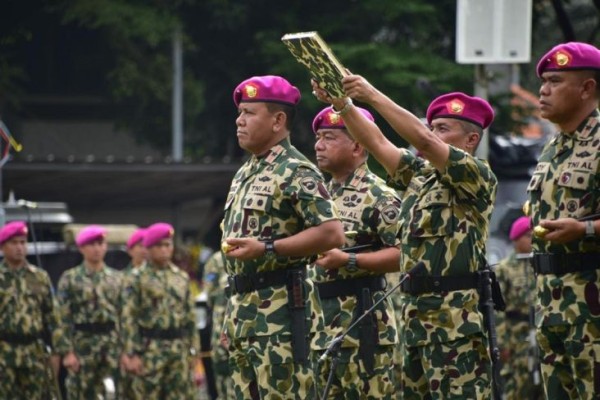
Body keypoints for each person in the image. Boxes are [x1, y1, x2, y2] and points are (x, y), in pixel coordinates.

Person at [313, 79, 498, 398]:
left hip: (456, 325)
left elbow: (423, 142)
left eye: (444, 128)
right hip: (414, 320)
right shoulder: (421, 178)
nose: (433, 134)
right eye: (433, 127)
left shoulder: (476, 177)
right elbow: (378, 143)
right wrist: (345, 105)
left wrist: (370, 94)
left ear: (470, 140)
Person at [221, 75, 345, 399]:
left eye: (249, 112)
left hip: (282, 316)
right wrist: (231, 315)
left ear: (278, 120)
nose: (239, 120)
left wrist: (267, 247)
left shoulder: (296, 170)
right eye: (240, 113)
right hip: (244, 315)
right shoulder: (246, 171)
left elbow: (332, 233)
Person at [310, 106, 401, 398]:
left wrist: (349, 259)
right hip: (321, 329)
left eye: (329, 137)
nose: (318, 145)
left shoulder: (379, 196)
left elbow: (405, 254)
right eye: (318, 137)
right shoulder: (321, 194)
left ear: (358, 145)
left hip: (364, 330)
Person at [526, 41, 600, 399]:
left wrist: (585, 228)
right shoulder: (553, 147)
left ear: (587, 88)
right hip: (551, 303)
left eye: (554, 81)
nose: (543, 90)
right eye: (543, 81)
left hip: (592, 307)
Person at [121, 222, 200, 400]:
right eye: (159, 245)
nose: (165, 250)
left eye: (168, 245)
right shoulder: (136, 277)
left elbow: (190, 317)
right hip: (150, 350)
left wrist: (194, 351)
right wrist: (132, 353)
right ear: (148, 248)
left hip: (178, 351)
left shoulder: (181, 277)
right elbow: (128, 317)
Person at [56, 225, 122, 399]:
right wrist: (67, 352)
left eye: (101, 243)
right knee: (81, 393)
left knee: (117, 392)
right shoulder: (70, 279)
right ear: (81, 248)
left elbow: (126, 316)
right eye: (92, 244)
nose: (97, 249)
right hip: (82, 346)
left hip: (112, 345)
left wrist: (127, 351)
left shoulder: (118, 278)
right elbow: (61, 318)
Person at [0, 221, 62, 399]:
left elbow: (52, 316)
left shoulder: (39, 277)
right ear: (3, 247)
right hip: (4, 352)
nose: (19, 247)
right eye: (14, 243)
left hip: (34, 352)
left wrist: (57, 352)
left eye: (23, 242)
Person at [495, 216, 542, 399]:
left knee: (545, 385)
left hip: (539, 332)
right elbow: (498, 309)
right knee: (519, 386)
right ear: (516, 238)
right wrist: (503, 343)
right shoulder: (505, 269)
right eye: (528, 236)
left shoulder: (539, 264)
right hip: (516, 338)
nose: (532, 240)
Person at [119, 227, 147, 400]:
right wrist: (125, 352)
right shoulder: (121, 279)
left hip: (153, 347)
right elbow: (121, 319)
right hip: (128, 348)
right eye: (139, 246)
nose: (144, 250)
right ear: (130, 250)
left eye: (147, 246)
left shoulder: (158, 278)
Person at [203, 250, 234, 399]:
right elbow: (210, 295)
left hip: (246, 331)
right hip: (221, 332)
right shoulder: (216, 260)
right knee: (223, 385)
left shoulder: (257, 251)